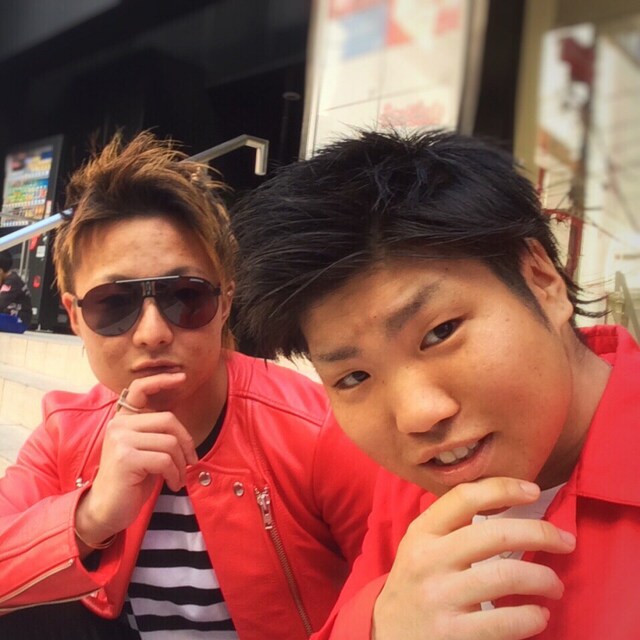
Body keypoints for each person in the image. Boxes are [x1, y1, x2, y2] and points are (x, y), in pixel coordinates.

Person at [231, 128, 640, 640]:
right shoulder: (421, 478)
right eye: (354, 377)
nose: (417, 416)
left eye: (440, 332)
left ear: (542, 280)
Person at [0, 132, 378, 640]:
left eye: (185, 296)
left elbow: (397, 584)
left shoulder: (313, 428)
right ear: (74, 316)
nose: (152, 332)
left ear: (225, 303)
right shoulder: (67, 433)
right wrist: (90, 517)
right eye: (114, 303)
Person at [0, 249, 32, 326]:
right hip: (9, 317)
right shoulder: (7, 279)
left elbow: (1, 304)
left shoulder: (12, 281)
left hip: (18, 320)